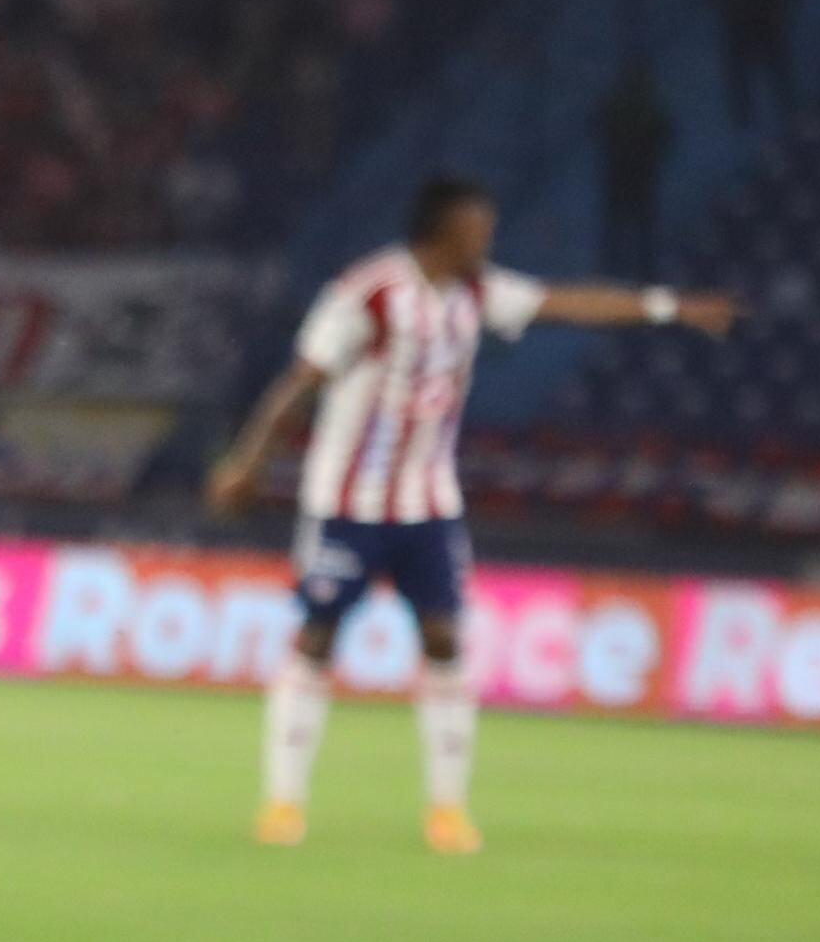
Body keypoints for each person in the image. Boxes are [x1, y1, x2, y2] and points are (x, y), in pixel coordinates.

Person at [210, 175, 734, 851]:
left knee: (446, 640)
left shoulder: (476, 292)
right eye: (475, 227)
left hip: (430, 505)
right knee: (316, 638)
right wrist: (247, 462)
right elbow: (300, 381)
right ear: (440, 231)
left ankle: (447, 810)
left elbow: (563, 302)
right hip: (347, 504)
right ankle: (283, 802)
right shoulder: (368, 293)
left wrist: (668, 306)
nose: (487, 237)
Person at [593, 59, 673, 284]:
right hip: (629, 177)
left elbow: (665, 135)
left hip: (631, 177)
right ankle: (620, 276)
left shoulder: (637, 107)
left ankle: (632, 276)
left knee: (633, 231)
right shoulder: (627, 106)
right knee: (629, 230)